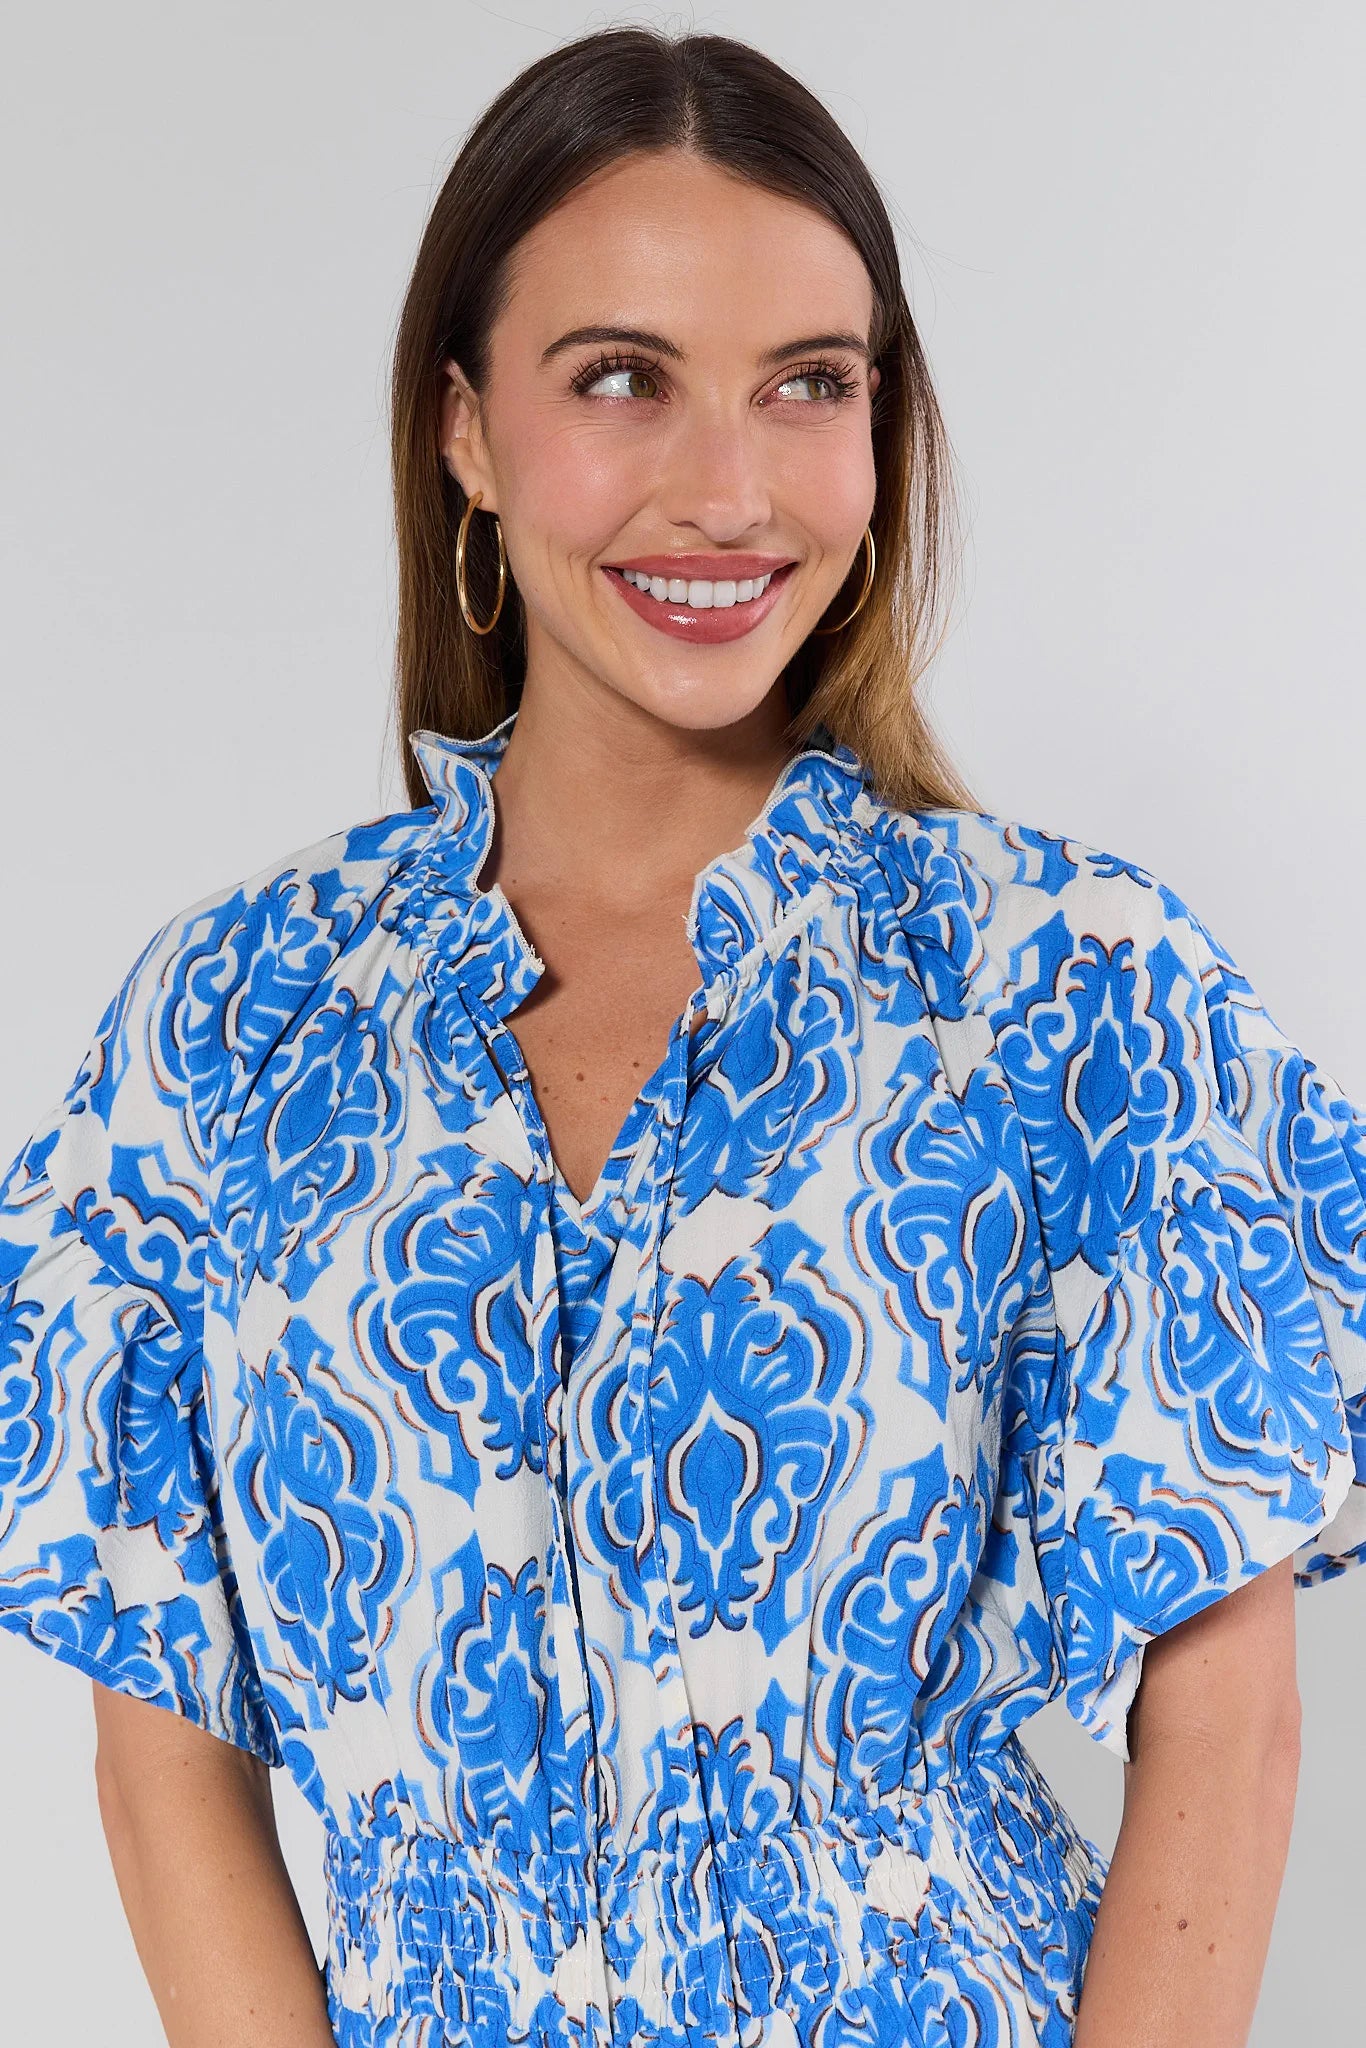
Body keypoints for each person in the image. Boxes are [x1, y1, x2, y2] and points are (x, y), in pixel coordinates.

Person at [1, 25, 1362, 2048]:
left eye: (805, 386)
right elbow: (160, 1751)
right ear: (464, 430)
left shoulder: (1064, 989)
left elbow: (1224, 1719)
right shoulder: (226, 1027)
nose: (728, 490)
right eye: (619, 379)